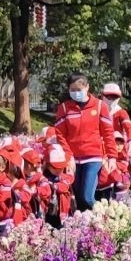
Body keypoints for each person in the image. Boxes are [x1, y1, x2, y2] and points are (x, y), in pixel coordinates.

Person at [52, 74, 111, 210]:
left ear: (87, 87)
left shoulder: (99, 106)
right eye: (72, 90)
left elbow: (108, 133)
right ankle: (84, 222)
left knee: (87, 196)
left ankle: (106, 216)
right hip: (74, 160)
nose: (76, 92)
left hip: (93, 157)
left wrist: (112, 157)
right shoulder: (64, 108)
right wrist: (68, 156)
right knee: (77, 197)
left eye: (79, 89)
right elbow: (60, 134)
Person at [98, 83, 131, 197]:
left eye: (114, 97)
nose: (111, 100)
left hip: (117, 147)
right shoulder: (97, 110)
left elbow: (128, 127)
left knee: (119, 170)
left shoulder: (120, 112)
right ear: (103, 95)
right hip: (100, 147)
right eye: (109, 96)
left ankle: (120, 190)